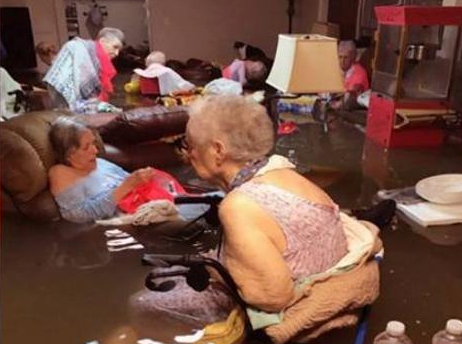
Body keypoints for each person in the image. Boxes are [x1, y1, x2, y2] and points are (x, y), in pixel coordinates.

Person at [131, 95, 350, 326]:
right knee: (172, 269)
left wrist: (215, 270)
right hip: (318, 275)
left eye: (190, 144)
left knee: (141, 303)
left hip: (285, 304)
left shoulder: (239, 206)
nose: (189, 154)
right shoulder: (283, 171)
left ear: (217, 150)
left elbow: (273, 297)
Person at [48, 116, 154, 223]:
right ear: (69, 154)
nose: (95, 150)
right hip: (121, 223)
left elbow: (132, 183)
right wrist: (126, 187)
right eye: (86, 147)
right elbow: (76, 215)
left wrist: (142, 179)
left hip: (144, 209)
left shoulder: (100, 163)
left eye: (93, 143)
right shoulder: (60, 173)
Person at [44, 27, 124, 110]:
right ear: (102, 41)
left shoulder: (100, 62)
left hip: (79, 105)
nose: (117, 53)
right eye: (115, 47)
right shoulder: (80, 49)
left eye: (119, 50)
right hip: (67, 101)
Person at [332, 40, 370, 110]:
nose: (342, 61)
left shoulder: (360, 72)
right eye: (340, 57)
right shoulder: (336, 69)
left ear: (352, 58)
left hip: (354, 106)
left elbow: (352, 93)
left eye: (346, 57)